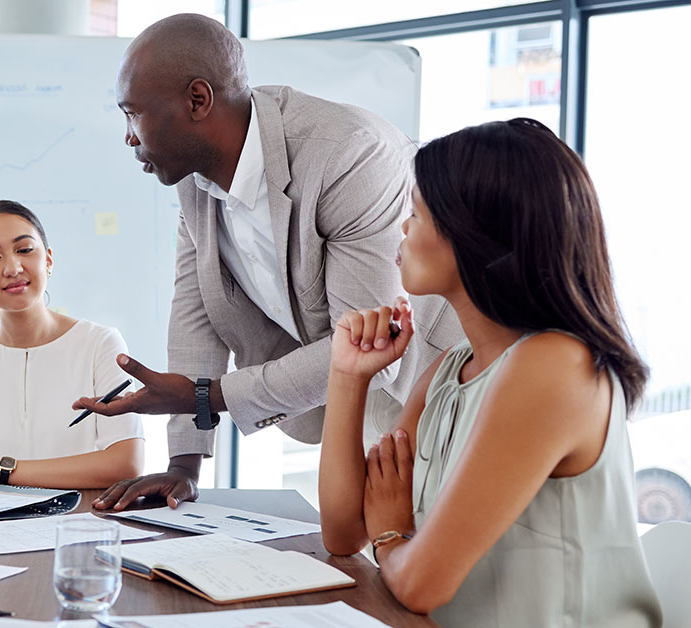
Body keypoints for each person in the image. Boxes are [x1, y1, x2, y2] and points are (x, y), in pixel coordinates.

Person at [76, 13, 462, 510]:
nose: (129, 136)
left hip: (443, 387)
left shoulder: (348, 156)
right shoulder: (197, 184)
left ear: (198, 100)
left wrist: (207, 396)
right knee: (372, 559)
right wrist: (182, 467)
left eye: (133, 113)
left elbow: (369, 341)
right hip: (351, 411)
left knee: (434, 570)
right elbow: (196, 315)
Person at [318, 119, 661, 626]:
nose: (403, 230)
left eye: (416, 214)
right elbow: (344, 534)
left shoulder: (554, 366)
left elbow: (419, 584)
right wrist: (349, 376)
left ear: (477, 237)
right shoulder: (449, 370)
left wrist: (392, 536)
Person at [0, 201, 145, 511]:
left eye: (25, 250)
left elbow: (126, 462)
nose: (12, 268)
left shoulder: (100, 342)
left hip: (77, 523)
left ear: (49, 259)